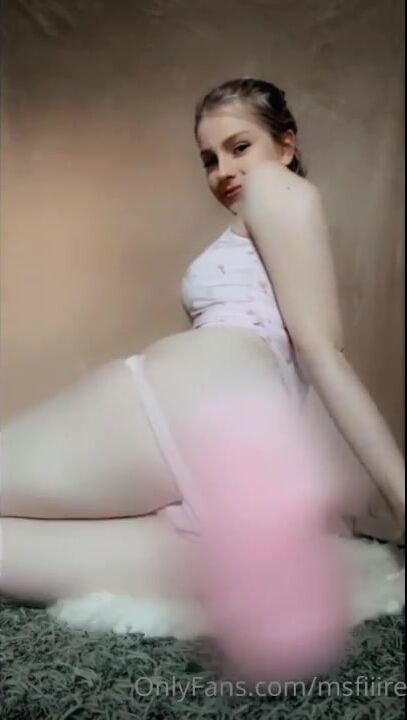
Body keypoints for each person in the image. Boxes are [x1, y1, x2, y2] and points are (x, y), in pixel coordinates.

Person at [0, 78, 404, 610]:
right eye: (210, 160)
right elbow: (317, 356)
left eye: (240, 147)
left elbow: (322, 352)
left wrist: (399, 494)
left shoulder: (274, 187)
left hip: (186, 403)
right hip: (229, 447)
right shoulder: (279, 217)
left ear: (287, 145)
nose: (224, 171)